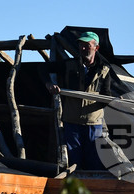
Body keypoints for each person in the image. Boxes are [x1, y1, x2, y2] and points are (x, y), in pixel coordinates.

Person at [41, 31, 119, 171]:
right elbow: (42, 68)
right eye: (81, 45)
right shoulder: (69, 65)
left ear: (96, 47)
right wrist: (48, 84)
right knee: (74, 161)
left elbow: (106, 95)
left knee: (94, 161)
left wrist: (113, 101)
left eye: (87, 45)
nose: (83, 49)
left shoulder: (104, 69)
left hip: (93, 123)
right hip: (72, 121)